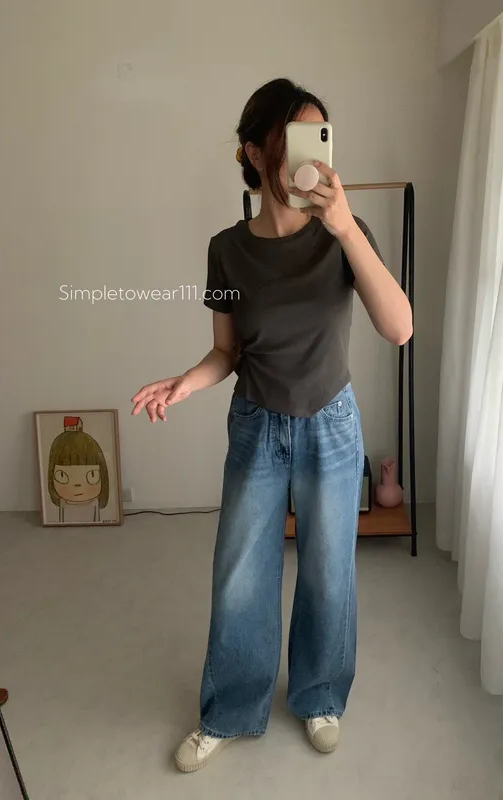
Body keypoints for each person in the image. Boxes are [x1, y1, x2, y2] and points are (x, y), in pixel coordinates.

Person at [131, 78, 412, 772]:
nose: (309, 156)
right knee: (239, 576)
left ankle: (320, 696)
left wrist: (345, 227)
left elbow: (400, 327)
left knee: (329, 572)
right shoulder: (227, 250)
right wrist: (185, 381)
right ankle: (230, 709)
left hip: (331, 423)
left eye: (320, 136)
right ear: (255, 153)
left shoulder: (345, 234)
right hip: (257, 425)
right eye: (292, 140)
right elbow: (227, 352)